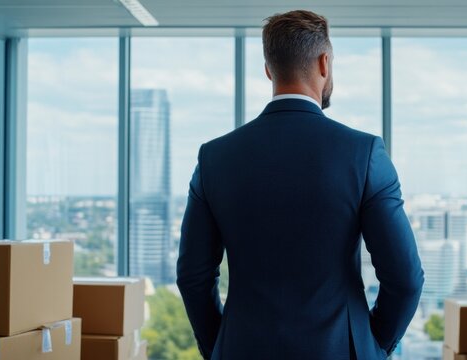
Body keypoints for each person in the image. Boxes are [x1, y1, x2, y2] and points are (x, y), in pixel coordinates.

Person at [176, 9, 423, 360]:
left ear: (268, 70)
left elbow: (193, 277)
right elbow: (405, 279)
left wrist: (221, 345)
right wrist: (372, 347)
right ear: (325, 63)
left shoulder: (214, 157)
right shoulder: (364, 153)